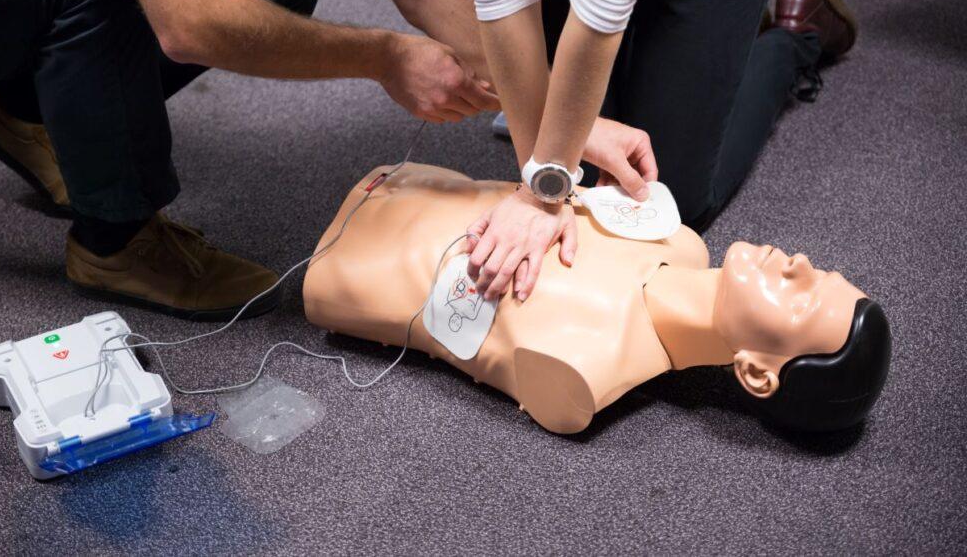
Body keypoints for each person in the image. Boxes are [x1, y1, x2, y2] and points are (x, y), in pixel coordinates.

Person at [0, 0, 500, 320]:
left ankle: (20, 108)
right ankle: (116, 245)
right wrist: (384, 58)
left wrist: (543, 109)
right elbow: (191, 23)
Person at [429, 0, 858, 303]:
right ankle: (720, 49)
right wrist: (538, 177)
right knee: (595, 176)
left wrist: (541, 196)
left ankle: (792, 38)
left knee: (668, 199)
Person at [302, 163, 892, 435]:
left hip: (344, 265)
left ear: (758, 376)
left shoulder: (587, 369)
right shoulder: (678, 240)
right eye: (823, 271)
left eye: (806, 298)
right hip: (409, 175)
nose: (803, 264)